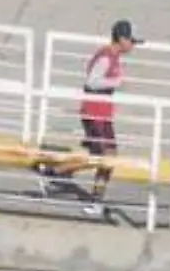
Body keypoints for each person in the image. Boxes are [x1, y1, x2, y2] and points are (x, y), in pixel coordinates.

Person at [35, 19, 141, 216]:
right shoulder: (106, 57)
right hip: (94, 114)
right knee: (104, 158)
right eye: (132, 41)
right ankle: (69, 183)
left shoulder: (113, 56)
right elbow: (92, 82)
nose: (133, 46)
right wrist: (115, 82)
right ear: (122, 38)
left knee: (104, 158)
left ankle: (59, 175)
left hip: (103, 115)